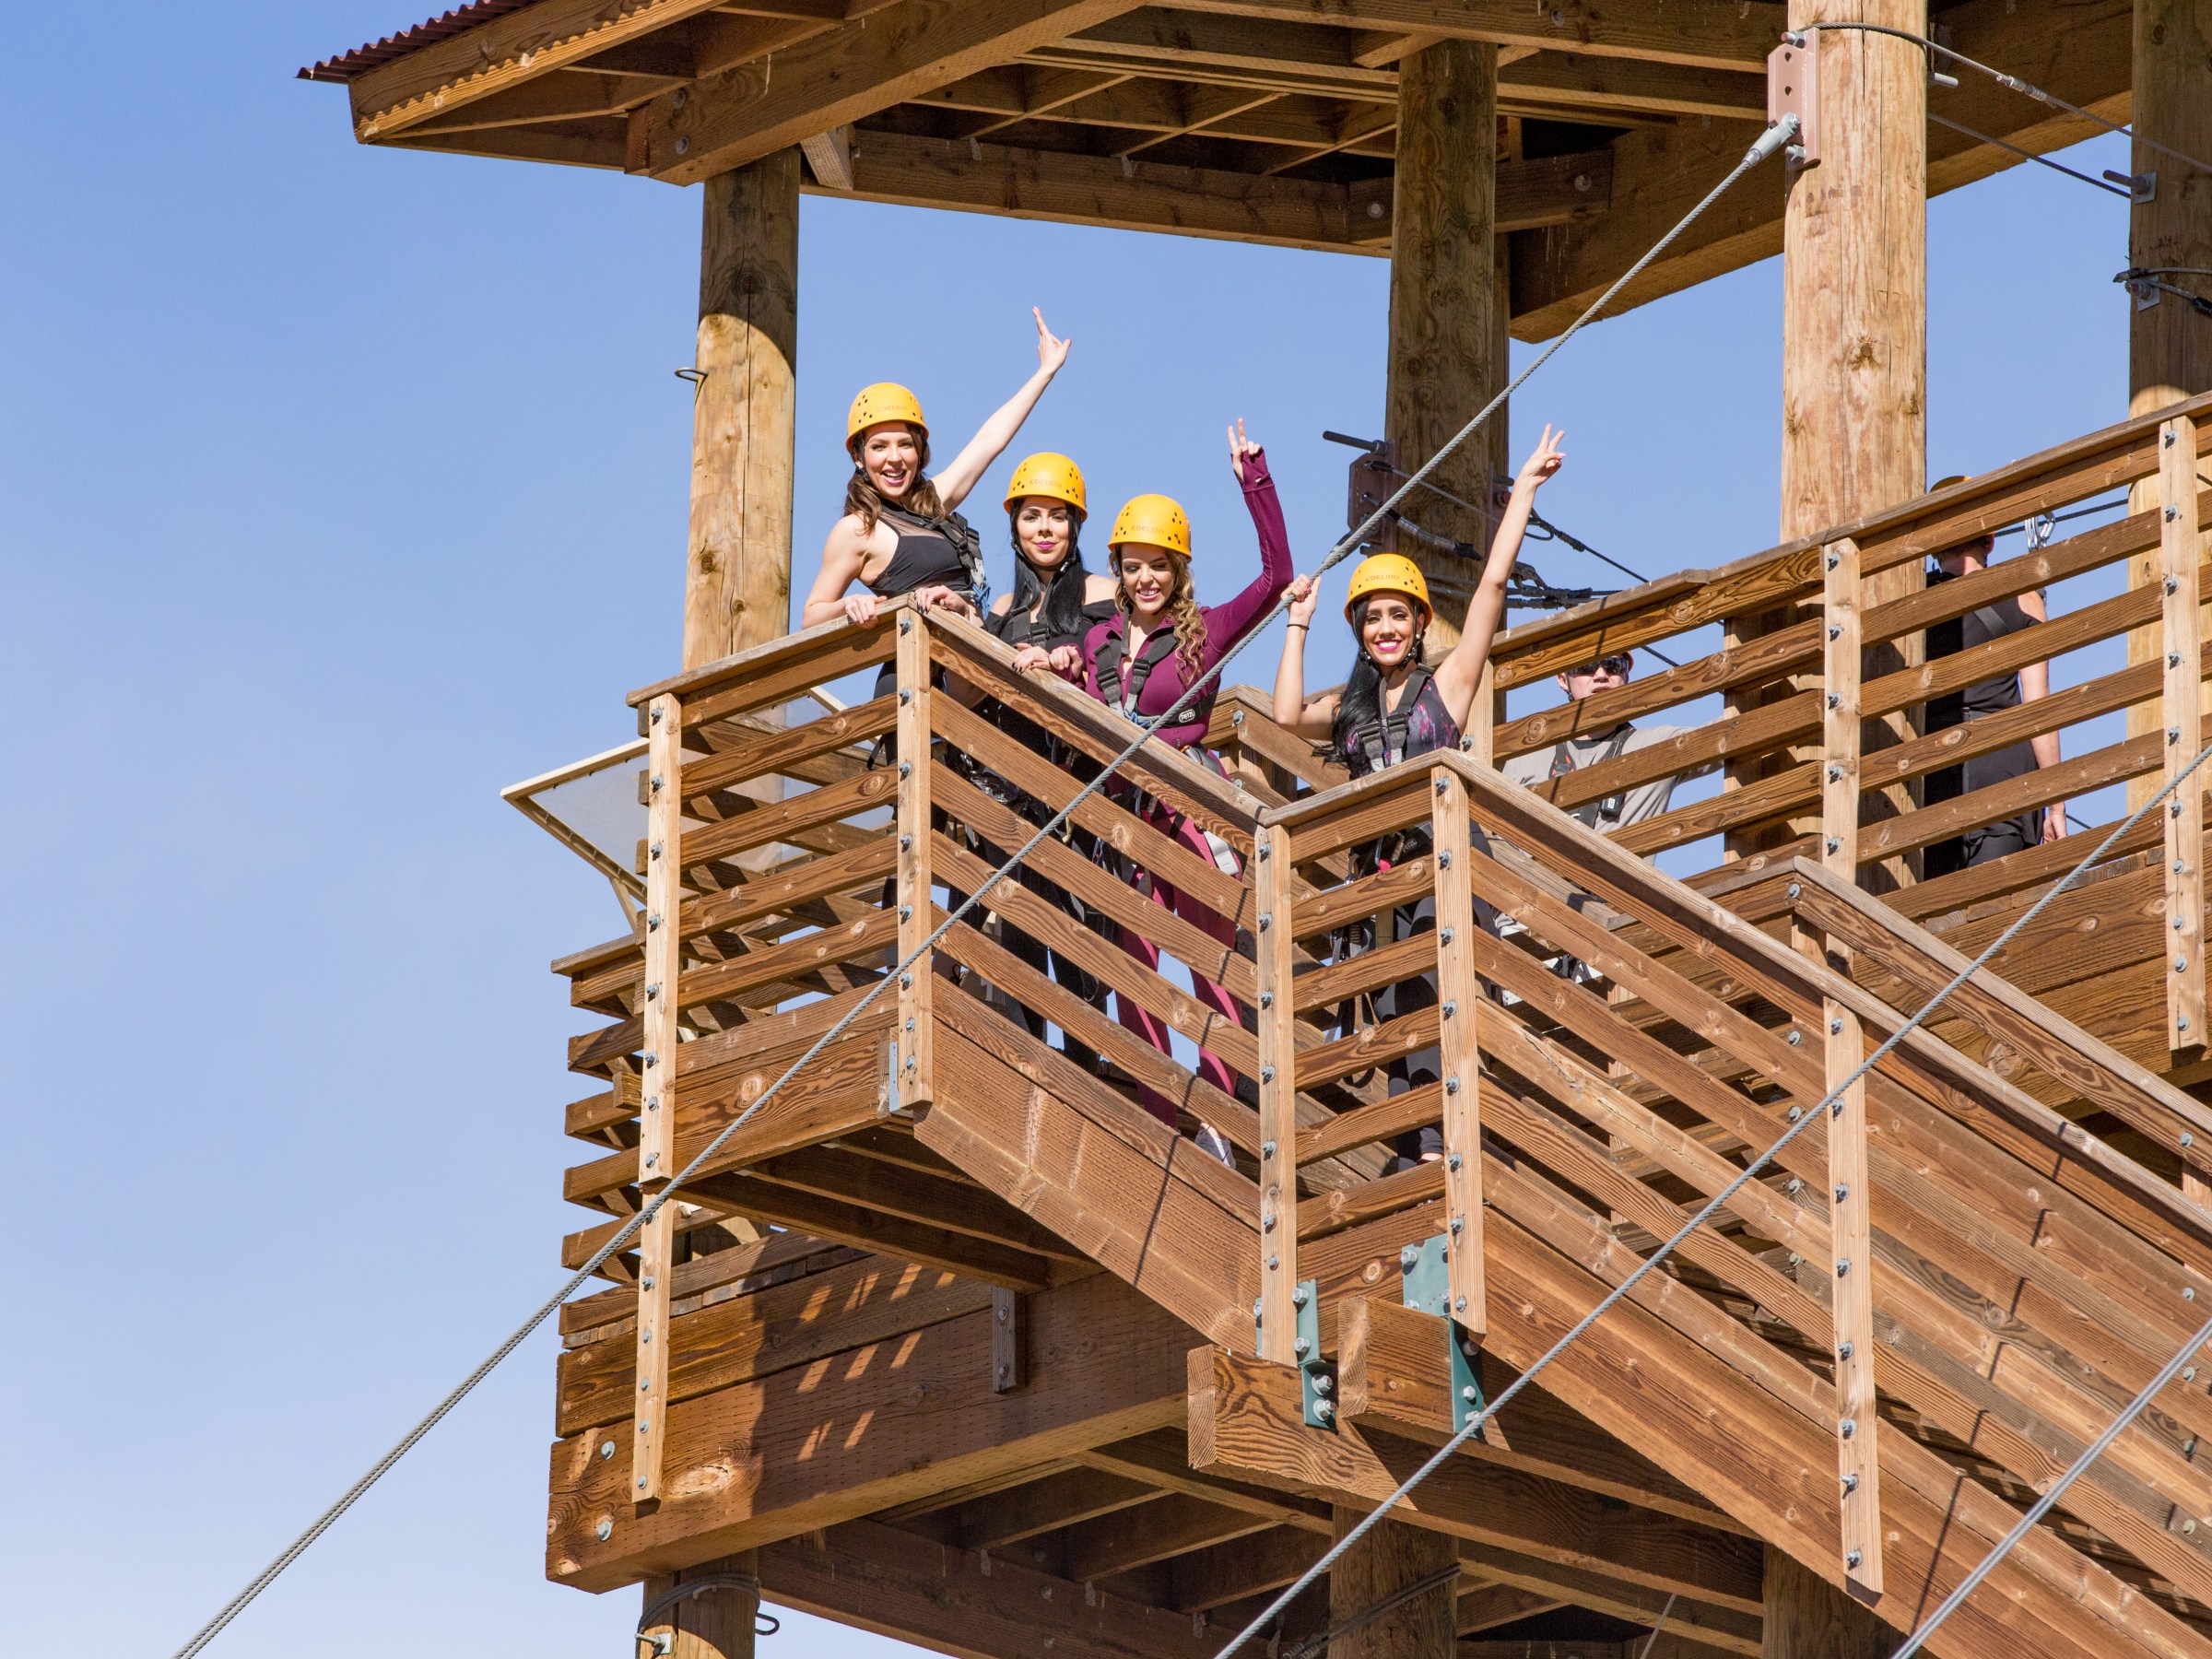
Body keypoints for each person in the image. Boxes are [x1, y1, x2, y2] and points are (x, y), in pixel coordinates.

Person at [1271, 428, 1566, 1167]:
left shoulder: (1449, 686)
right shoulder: (1351, 707)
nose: (1386, 628)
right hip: (1385, 881)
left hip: (1443, 864)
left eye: (1397, 615)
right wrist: (1298, 625)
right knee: (1400, 999)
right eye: (1373, 618)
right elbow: (1282, 714)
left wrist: (1521, 495)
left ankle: (1451, 1136)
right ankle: (1417, 1144)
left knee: (1440, 987)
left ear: (1420, 623)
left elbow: (1493, 589)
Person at [1048, 420, 1293, 1159]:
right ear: (1118, 569)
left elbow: (1277, 577)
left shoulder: (1206, 632)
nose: (1146, 578)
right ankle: (1154, 1122)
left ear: (1178, 570)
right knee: (1137, 973)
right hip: (1125, 822)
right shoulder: (1099, 642)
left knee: (1212, 970)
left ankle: (1223, 1116)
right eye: (1133, 566)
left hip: (1187, 817)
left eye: (1159, 566)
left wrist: (1254, 479)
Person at [800, 308, 1072, 698]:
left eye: (905, 444)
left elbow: (988, 442)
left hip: (966, 673)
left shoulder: (933, 503)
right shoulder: (857, 530)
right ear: (859, 457)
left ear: (920, 450)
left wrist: (1045, 371)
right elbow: (812, 617)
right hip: (918, 683)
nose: (894, 458)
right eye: (879, 446)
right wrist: (850, 606)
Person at [971, 453, 1119, 1071]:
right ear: (1015, 526)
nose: (1045, 529)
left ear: (1076, 527)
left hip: (1078, 793)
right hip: (1010, 793)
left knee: (1081, 947)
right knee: (1019, 939)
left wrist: (1070, 660)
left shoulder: (1103, 595)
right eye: (1033, 517)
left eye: (1058, 518)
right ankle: (1031, 1075)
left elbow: (1125, 668)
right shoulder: (1001, 610)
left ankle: (1090, 1071)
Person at [1921, 499, 2066, 876]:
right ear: (1990, 540)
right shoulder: (2021, 598)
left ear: (1935, 547)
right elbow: (2038, 710)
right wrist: (2056, 803)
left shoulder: (1910, 603)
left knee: (1926, 907)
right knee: (1994, 908)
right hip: (2001, 763)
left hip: (1928, 763)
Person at [1499, 651, 1716, 830]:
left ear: (1626, 676)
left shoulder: (1656, 746)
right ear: (1562, 679)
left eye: (1613, 666)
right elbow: (1496, 835)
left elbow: (1727, 732)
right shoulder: (1524, 761)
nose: (1601, 675)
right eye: (1586, 666)